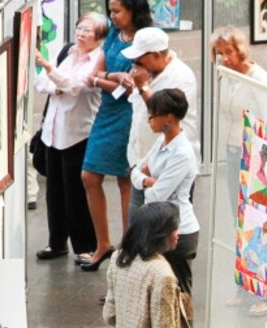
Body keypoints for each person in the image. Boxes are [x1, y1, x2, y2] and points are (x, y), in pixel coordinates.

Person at [80, 0, 152, 272]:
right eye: (111, 11)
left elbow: (132, 86)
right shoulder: (113, 33)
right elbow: (95, 75)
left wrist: (103, 79)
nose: (112, 16)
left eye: (117, 11)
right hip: (107, 112)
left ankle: (127, 249)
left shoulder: (143, 39)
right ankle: (103, 244)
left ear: (133, 10)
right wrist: (112, 76)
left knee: (125, 181)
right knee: (89, 176)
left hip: (129, 113)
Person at [34, 12, 108, 263]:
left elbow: (77, 87)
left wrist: (50, 70)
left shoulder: (99, 60)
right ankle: (57, 243)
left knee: (76, 192)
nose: (81, 34)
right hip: (53, 132)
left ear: (99, 37)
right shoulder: (67, 51)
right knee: (53, 192)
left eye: (88, 31)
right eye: (79, 28)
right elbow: (41, 83)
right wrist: (56, 84)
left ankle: (85, 245)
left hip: (79, 133)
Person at [120, 26, 200, 222]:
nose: (135, 64)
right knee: (137, 224)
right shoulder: (146, 72)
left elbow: (162, 113)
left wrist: (143, 87)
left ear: (156, 55)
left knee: (163, 228)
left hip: (171, 165)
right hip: (142, 160)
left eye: (139, 59)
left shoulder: (182, 76)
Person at [129, 89, 199, 295]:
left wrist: (145, 182)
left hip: (179, 232)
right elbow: (135, 172)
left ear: (167, 117)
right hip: (159, 227)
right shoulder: (161, 142)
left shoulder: (182, 153)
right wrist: (149, 180)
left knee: (179, 294)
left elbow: (157, 196)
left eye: (153, 116)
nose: (149, 120)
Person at [209, 26, 267, 214]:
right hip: (233, 149)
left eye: (229, 52)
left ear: (240, 50)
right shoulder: (225, 76)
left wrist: (266, 160)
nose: (224, 58)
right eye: (219, 53)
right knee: (236, 206)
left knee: (256, 209)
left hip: (256, 153)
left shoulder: (258, 78)